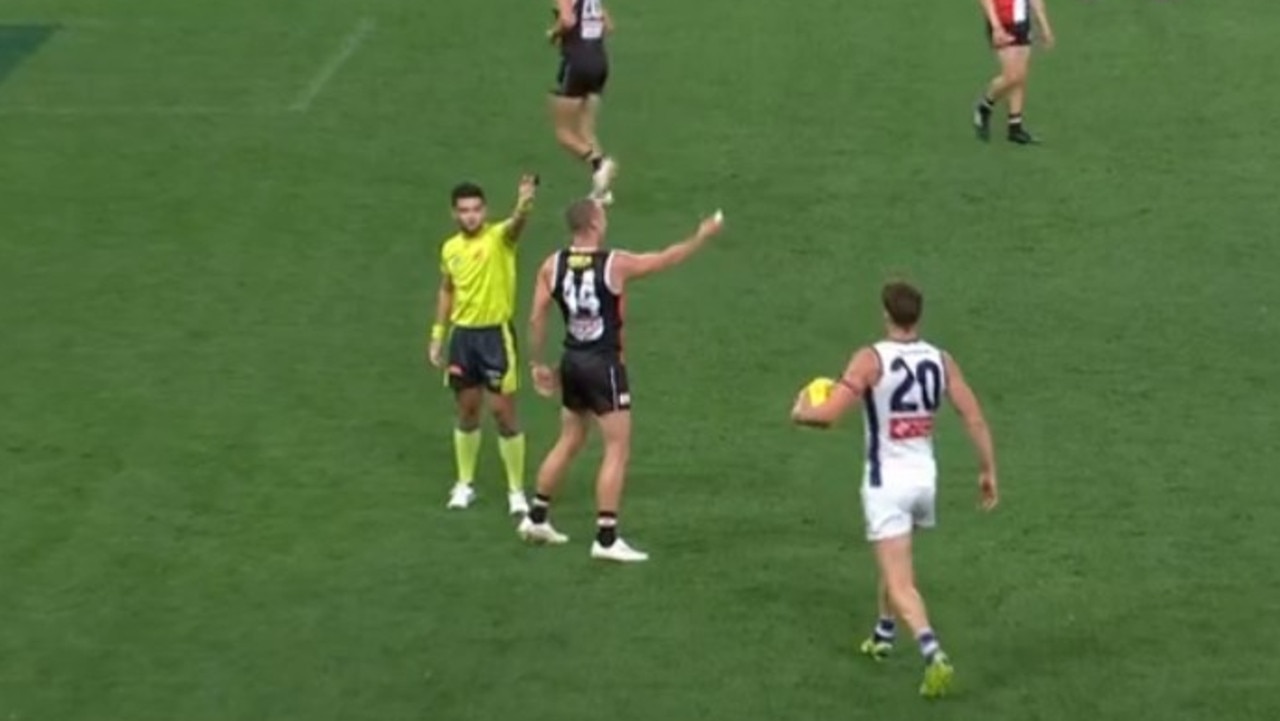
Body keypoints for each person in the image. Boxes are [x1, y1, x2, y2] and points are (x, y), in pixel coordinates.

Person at [790, 281, 998, 699]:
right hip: (924, 480)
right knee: (896, 560)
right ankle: (883, 634)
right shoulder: (941, 360)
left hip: (887, 483)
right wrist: (987, 469)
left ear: (887, 315)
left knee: (901, 581)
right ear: (917, 317)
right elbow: (973, 416)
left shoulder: (870, 360)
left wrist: (800, 411)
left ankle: (933, 653)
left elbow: (829, 416)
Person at [517, 199, 724, 562]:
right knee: (617, 447)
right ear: (595, 223)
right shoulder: (614, 264)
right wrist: (700, 236)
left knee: (569, 438)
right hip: (603, 365)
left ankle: (537, 517)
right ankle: (607, 538)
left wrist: (537, 363)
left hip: (572, 360)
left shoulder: (553, 264)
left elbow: (536, 317)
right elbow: (663, 259)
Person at [428, 176, 538, 516]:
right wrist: (437, 335)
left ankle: (516, 491)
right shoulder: (450, 249)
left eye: (476, 210)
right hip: (463, 338)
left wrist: (523, 204)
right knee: (468, 410)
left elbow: (517, 226)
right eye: (464, 211)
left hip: (495, 337)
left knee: (504, 414)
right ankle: (465, 484)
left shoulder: (499, 239)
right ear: (454, 214)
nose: (471, 216)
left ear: (485, 211)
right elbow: (447, 289)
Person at [547, 0, 618, 203]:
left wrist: (554, 33)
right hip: (599, 62)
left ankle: (600, 162)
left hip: (577, 64)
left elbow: (567, 20)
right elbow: (609, 26)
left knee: (564, 132)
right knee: (586, 130)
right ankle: (602, 192)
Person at [973, 0, 1055, 144]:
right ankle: (984, 105)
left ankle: (1015, 127)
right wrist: (996, 27)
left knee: (1020, 76)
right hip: (1002, 23)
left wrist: (1044, 26)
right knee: (1012, 76)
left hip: (1022, 23)